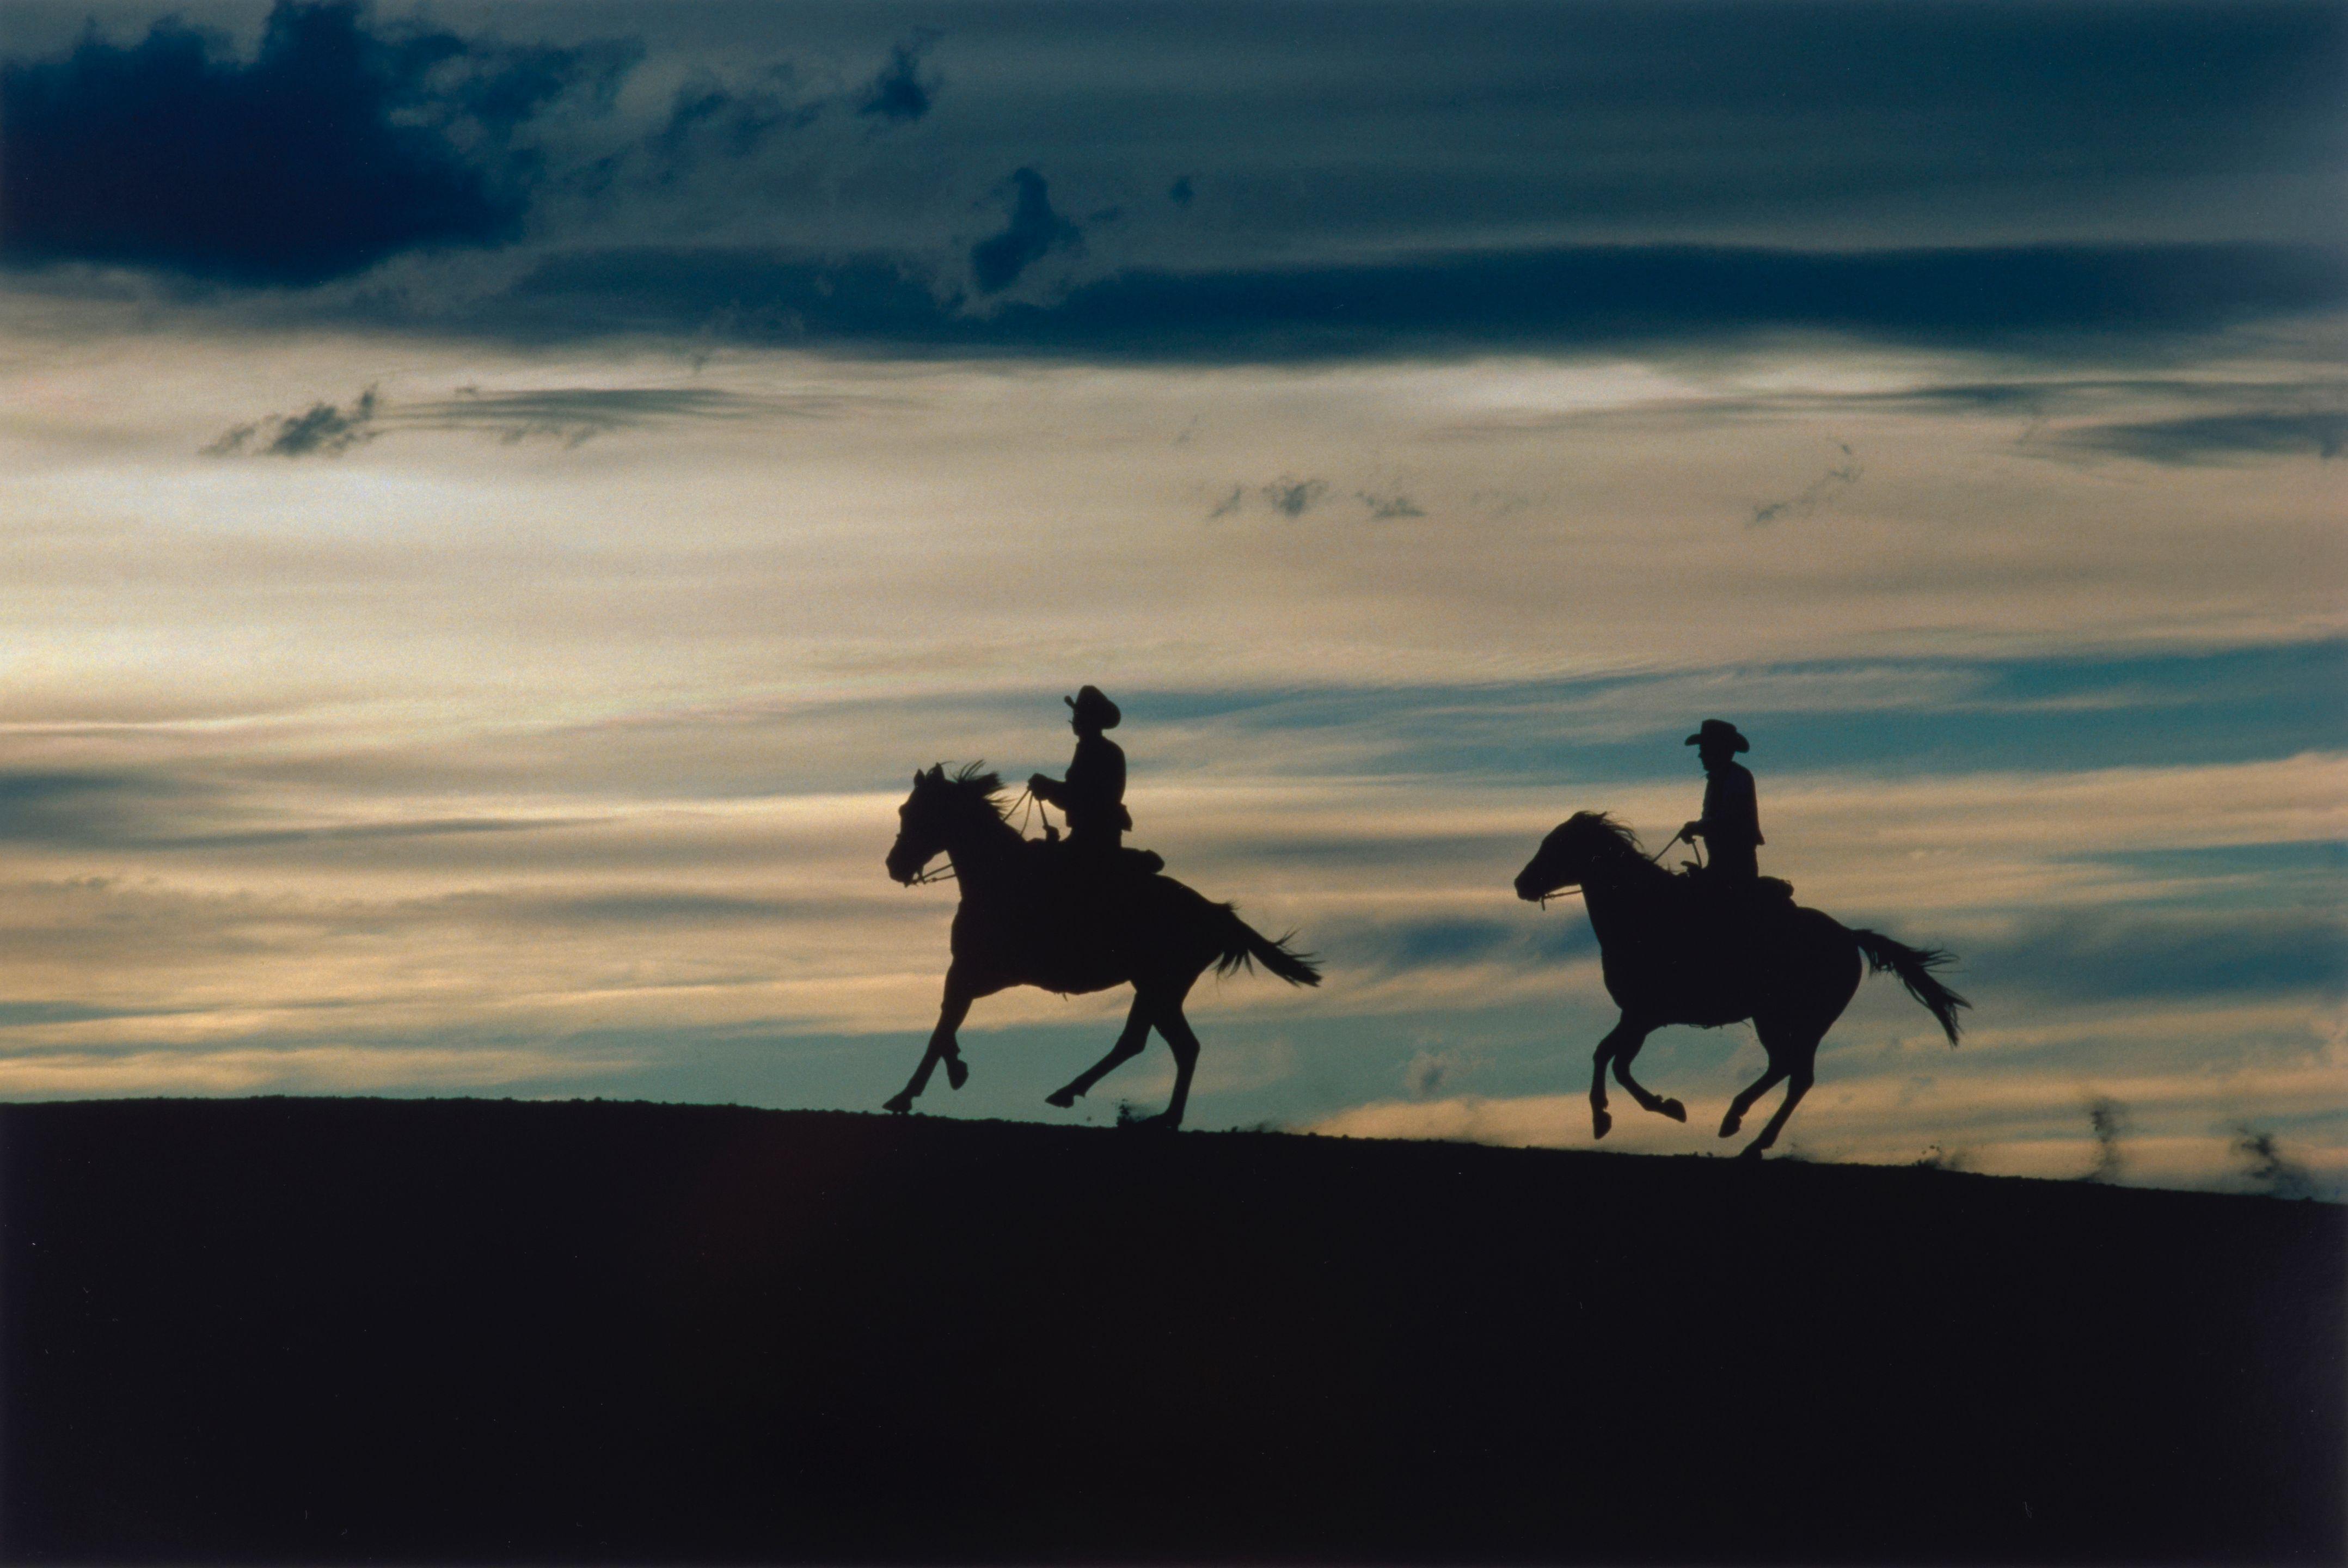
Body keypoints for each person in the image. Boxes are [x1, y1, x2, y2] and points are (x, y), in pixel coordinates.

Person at [1029, 685, 1133, 857]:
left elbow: (1082, 797)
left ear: (1090, 720)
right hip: (1088, 837)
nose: (1075, 719)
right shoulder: (1096, 749)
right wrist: (1049, 788)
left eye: (1079, 715)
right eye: (1076, 715)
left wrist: (1047, 787)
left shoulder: (1101, 751)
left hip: (1095, 841)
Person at [1680, 719, 1763, 885]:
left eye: (1704, 749)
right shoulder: (1719, 779)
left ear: (1718, 750)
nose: (1700, 755)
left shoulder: (1737, 777)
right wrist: (1696, 827)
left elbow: (1728, 820)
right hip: (1718, 866)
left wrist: (1695, 827)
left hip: (1736, 871)